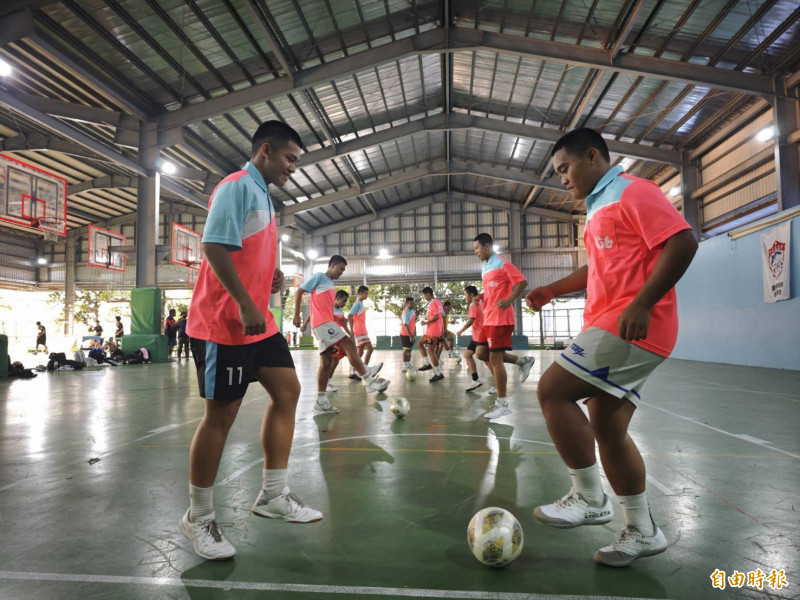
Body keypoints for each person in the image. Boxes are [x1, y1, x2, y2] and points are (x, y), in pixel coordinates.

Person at [525, 128, 697, 567]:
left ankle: (589, 497)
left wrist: (642, 303)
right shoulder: (598, 205)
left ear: (592, 156)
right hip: (614, 323)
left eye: (565, 168)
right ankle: (643, 531)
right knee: (607, 427)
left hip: (631, 323)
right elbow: (597, 267)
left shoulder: (634, 191)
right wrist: (552, 289)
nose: (562, 178)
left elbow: (682, 241)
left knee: (552, 390)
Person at [182, 120, 322, 562]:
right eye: (290, 159)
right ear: (266, 150)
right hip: (225, 322)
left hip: (259, 322)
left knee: (288, 391)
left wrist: (271, 275)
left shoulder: (264, 195)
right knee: (221, 416)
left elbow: (244, 250)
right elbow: (214, 247)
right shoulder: (236, 187)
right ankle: (199, 516)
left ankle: (273, 495)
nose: (293, 168)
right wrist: (244, 302)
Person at [293, 255, 390, 413]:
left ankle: (321, 401)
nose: (341, 272)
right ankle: (368, 380)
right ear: (332, 265)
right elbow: (299, 292)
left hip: (326, 322)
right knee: (349, 344)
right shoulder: (319, 277)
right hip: (322, 324)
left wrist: (339, 319)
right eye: (340, 269)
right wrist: (297, 315)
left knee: (326, 363)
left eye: (343, 270)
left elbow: (324, 308)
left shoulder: (330, 285)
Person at [473, 233, 536, 419]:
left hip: (501, 318)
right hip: (488, 318)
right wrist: (481, 297)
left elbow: (522, 281)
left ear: (486, 246)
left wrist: (509, 300)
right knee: (481, 353)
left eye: (477, 248)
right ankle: (522, 361)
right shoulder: (485, 266)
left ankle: (503, 404)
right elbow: (492, 290)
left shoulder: (502, 263)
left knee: (495, 359)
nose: (475, 252)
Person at [455, 286, 490, 392]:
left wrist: (461, 330)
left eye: (465, 294)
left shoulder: (473, 305)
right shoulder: (480, 303)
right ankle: (475, 380)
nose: (465, 297)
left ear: (471, 295)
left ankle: (498, 382)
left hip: (480, 336)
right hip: (477, 336)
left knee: (487, 360)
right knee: (467, 354)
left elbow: (471, 320)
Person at [327, 290, 353, 392]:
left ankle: (364, 372)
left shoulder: (340, 311)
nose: (345, 303)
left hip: (339, 338)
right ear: (337, 299)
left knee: (351, 354)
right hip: (331, 338)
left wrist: (350, 334)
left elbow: (343, 325)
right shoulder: (330, 309)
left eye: (346, 301)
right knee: (334, 361)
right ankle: (364, 372)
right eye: (344, 301)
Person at [417, 287, 444, 383]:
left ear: (428, 294)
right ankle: (427, 364)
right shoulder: (438, 303)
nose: (424, 297)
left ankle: (438, 374)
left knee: (431, 351)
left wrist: (426, 322)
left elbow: (436, 316)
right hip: (432, 330)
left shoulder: (433, 303)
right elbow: (442, 316)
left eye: (424, 295)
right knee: (420, 343)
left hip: (433, 331)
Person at [347, 286, 374, 379]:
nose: (367, 295)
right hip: (360, 331)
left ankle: (353, 371)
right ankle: (364, 369)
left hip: (361, 330)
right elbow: (349, 316)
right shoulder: (357, 303)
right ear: (361, 293)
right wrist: (351, 330)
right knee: (370, 349)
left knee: (360, 353)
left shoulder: (360, 303)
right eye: (366, 293)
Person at [399, 297, 416, 372]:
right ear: (406, 304)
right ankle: (404, 365)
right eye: (410, 303)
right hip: (405, 334)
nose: (412, 305)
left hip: (411, 334)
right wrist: (410, 336)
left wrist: (413, 334)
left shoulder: (412, 311)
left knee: (409, 350)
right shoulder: (405, 312)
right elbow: (406, 325)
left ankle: (408, 364)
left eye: (413, 303)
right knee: (406, 350)